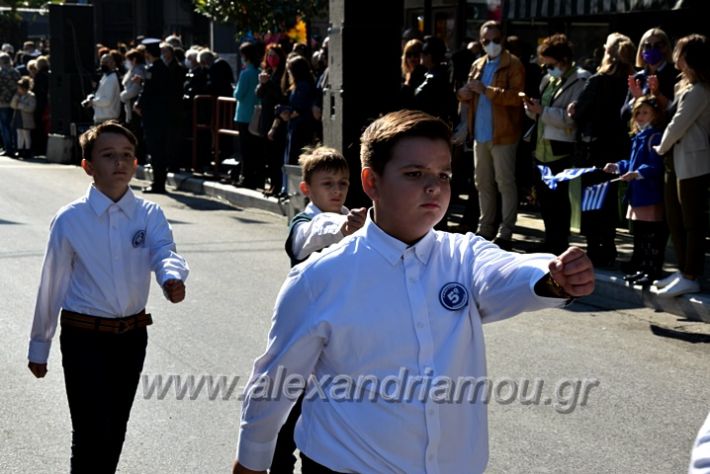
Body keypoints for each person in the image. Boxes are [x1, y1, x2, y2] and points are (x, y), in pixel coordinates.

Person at [232, 109, 595, 474]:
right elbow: (274, 384)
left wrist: (552, 276)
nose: (434, 186)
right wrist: (250, 463)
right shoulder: (319, 279)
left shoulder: (464, 255)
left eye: (443, 175)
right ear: (372, 182)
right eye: (414, 174)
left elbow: (508, 272)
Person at [27, 120, 189, 473]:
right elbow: (51, 284)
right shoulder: (71, 219)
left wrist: (171, 278)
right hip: (84, 335)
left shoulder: (150, 214)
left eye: (127, 155)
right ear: (88, 166)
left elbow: (165, 252)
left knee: (115, 428)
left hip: (131, 338)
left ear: (136, 163)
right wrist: (39, 345)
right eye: (108, 155)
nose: (119, 162)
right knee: (89, 431)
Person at [273, 146, 367, 472]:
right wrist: (343, 228)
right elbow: (308, 236)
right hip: (303, 339)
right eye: (328, 184)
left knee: (333, 425)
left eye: (342, 183)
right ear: (306, 189)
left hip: (342, 340)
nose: (337, 190)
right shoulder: (306, 222)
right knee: (284, 422)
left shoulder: (358, 222)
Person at [457, 20, 525, 250]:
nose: (491, 45)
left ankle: (506, 232)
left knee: (505, 182)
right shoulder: (477, 64)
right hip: (480, 133)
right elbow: (468, 95)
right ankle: (485, 228)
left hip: (504, 134)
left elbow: (517, 98)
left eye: (496, 40)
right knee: (482, 182)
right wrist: (463, 94)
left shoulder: (513, 64)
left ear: (503, 39)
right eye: (486, 41)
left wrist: (486, 91)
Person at [570, 33, 636, 268]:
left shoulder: (598, 80)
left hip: (594, 149)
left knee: (592, 199)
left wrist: (574, 110)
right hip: (619, 149)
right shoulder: (632, 81)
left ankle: (595, 246)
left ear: (607, 53)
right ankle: (608, 244)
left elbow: (580, 112)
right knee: (609, 200)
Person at [652, 34, 710, 298]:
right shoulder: (684, 85)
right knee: (674, 218)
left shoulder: (701, 90)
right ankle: (683, 270)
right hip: (675, 158)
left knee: (691, 221)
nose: (675, 53)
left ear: (690, 57)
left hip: (692, 161)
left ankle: (691, 274)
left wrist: (660, 147)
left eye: (680, 50)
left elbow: (679, 123)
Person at [524, 33, 590, 255]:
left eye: (550, 64)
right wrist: (532, 108)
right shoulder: (547, 80)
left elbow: (572, 118)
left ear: (562, 60)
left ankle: (559, 242)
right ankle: (549, 239)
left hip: (561, 149)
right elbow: (541, 113)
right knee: (544, 199)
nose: (547, 68)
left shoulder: (581, 80)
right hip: (541, 146)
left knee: (558, 200)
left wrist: (542, 111)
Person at [602, 95, 666, 286]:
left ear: (654, 115)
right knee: (640, 235)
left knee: (650, 236)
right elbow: (632, 163)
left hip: (649, 193)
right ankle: (642, 268)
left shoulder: (654, 136)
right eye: (637, 112)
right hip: (638, 193)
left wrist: (637, 173)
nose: (640, 116)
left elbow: (656, 165)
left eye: (645, 112)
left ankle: (652, 270)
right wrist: (618, 166)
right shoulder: (639, 136)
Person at [134, 38, 171, 194]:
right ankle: (160, 181)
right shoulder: (164, 68)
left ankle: (158, 183)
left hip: (153, 116)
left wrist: (138, 105)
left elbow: (148, 91)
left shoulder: (152, 69)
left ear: (148, 53)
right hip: (163, 115)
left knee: (155, 149)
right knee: (161, 149)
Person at [622, 27, 678, 122]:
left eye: (657, 45)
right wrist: (637, 100)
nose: (652, 49)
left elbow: (676, 111)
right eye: (647, 46)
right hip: (641, 135)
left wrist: (658, 95)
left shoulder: (675, 74)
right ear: (642, 49)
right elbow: (624, 114)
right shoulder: (638, 77)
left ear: (665, 48)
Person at [256, 43, 288, 196]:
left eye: (274, 56)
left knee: (276, 155)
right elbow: (259, 94)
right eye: (269, 55)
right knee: (268, 156)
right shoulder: (267, 72)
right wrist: (262, 84)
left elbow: (280, 96)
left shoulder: (283, 74)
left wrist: (268, 84)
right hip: (266, 117)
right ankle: (272, 184)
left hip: (277, 119)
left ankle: (278, 185)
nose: (271, 59)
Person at [233, 41, 263, 189]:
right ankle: (256, 177)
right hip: (256, 114)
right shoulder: (259, 72)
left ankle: (246, 177)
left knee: (245, 149)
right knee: (256, 148)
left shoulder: (245, 73)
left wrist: (235, 90)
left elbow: (238, 94)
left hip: (244, 115)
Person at [83, 53, 122, 124]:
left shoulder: (111, 78)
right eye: (102, 62)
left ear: (113, 63)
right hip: (103, 118)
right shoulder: (106, 76)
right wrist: (91, 98)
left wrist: (92, 102)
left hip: (107, 119)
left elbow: (107, 101)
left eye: (106, 62)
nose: (103, 65)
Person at [10, 76, 36, 159]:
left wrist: (21, 105)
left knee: (26, 135)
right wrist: (16, 99)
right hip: (18, 117)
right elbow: (13, 105)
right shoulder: (18, 96)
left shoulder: (31, 96)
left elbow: (31, 108)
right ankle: (20, 150)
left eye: (20, 88)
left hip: (26, 119)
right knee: (19, 134)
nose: (18, 90)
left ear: (24, 88)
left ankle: (28, 150)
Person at [0, 52, 20, 156]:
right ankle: (16, 146)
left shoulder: (1, 72)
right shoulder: (15, 72)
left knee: (4, 126)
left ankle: (8, 148)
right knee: (13, 126)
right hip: (15, 102)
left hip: (2, 103)